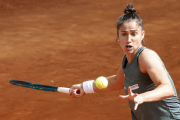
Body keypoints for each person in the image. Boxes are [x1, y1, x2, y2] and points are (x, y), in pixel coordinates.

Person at [69, 3, 180, 120]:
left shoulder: (146, 57)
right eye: (124, 34)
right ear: (118, 36)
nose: (128, 40)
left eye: (133, 34)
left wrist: (142, 97)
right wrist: (84, 87)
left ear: (142, 35)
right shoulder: (127, 59)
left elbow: (168, 89)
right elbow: (117, 81)